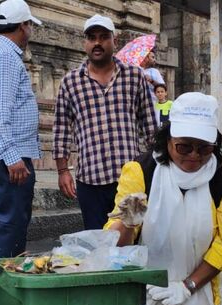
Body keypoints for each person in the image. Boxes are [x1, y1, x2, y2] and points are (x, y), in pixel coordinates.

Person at [105, 92, 222, 305]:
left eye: (205, 148)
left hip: (197, 291)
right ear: (168, 139)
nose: (194, 155)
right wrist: (128, 222)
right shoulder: (141, 171)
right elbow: (115, 246)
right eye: (184, 146)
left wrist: (187, 286)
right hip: (143, 291)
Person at [52, 14, 158, 230]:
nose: (97, 43)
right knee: (97, 241)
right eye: (92, 38)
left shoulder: (134, 76)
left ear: (114, 41)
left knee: (133, 238)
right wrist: (63, 171)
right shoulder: (70, 82)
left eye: (103, 37)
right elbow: (61, 129)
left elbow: (150, 126)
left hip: (131, 178)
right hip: (90, 179)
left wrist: (157, 168)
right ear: (85, 43)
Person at [0, 0, 42, 258]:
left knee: (14, 218)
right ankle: (1, 283)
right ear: (23, 26)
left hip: (6, 151)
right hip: (8, 153)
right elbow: (0, 113)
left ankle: (7, 275)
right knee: (10, 221)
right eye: (30, 26)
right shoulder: (5, 56)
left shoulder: (1, 53)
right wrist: (12, 157)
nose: (30, 32)